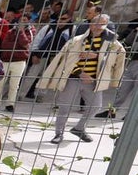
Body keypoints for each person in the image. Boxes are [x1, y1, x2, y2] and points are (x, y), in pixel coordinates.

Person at [39, 13, 127, 143]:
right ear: (91, 24)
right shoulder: (77, 41)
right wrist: (80, 73)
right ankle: (59, 134)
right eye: (96, 24)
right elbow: (66, 61)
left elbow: (119, 57)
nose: (98, 27)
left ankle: (79, 128)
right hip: (73, 79)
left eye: (102, 24)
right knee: (64, 107)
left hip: (94, 81)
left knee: (95, 106)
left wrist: (97, 57)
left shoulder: (112, 43)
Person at [0, 16, 33, 112]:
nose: (22, 22)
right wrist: (18, 45)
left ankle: (10, 104)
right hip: (6, 60)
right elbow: (5, 45)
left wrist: (21, 32)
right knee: (0, 82)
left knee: (14, 85)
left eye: (25, 20)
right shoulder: (10, 32)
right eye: (21, 20)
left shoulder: (29, 32)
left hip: (19, 61)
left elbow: (25, 43)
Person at [22, 11, 73, 101]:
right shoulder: (49, 27)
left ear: (69, 19)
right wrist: (34, 54)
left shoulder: (72, 30)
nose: (60, 21)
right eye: (59, 18)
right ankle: (21, 94)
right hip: (42, 55)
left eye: (63, 19)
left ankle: (40, 96)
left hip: (57, 58)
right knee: (32, 75)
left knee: (47, 77)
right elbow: (37, 40)